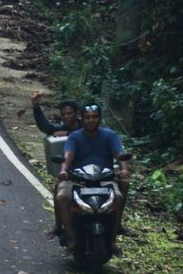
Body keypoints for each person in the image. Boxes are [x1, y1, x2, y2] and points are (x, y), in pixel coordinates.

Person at [55, 103, 129, 254]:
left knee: (119, 198)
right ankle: (72, 239)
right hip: (78, 179)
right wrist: (64, 171)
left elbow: (119, 154)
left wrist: (124, 169)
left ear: (99, 119)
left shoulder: (109, 135)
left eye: (94, 117)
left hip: (105, 179)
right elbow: (68, 157)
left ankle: (113, 239)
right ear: (82, 119)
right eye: (87, 117)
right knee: (62, 197)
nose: (90, 120)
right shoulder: (74, 137)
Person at [29, 91, 82, 238]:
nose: (66, 117)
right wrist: (35, 106)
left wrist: (68, 135)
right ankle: (58, 225)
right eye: (64, 114)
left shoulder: (85, 126)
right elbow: (45, 127)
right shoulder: (61, 127)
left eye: (69, 113)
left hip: (90, 170)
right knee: (57, 187)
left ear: (76, 114)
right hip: (72, 171)